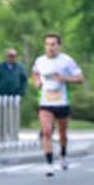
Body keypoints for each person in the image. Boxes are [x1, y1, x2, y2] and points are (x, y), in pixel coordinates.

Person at [31, 33, 84, 176]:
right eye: (47, 44)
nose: (50, 48)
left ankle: (63, 156)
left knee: (62, 133)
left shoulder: (66, 61)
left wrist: (64, 78)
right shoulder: (40, 60)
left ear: (59, 46)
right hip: (45, 102)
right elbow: (35, 72)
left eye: (53, 44)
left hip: (61, 102)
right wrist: (37, 82)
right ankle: (49, 164)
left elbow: (80, 78)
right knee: (46, 132)